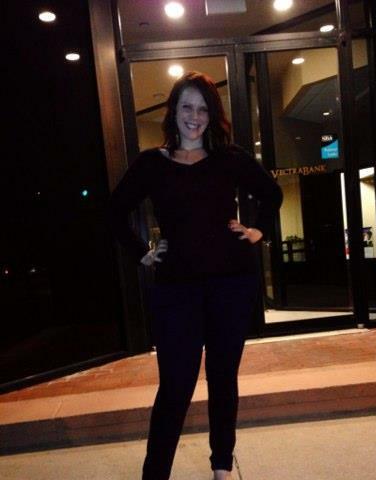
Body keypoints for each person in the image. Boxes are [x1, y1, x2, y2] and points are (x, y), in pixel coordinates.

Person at [108, 71, 282, 480]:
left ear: (212, 115)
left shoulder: (229, 158)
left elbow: (271, 194)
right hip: (176, 291)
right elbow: (115, 211)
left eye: (203, 109)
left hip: (230, 284)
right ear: (173, 111)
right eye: (187, 107)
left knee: (223, 379)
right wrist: (143, 253)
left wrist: (257, 230)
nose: (194, 116)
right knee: (175, 386)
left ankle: (222, 465)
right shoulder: (152, 163)